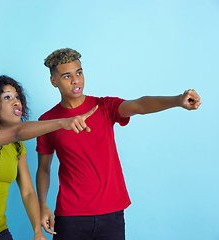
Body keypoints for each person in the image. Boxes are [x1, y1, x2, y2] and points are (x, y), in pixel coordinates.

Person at [35, 48, 201, 240]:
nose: (76, 80)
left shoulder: (104, 106)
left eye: (79, 72)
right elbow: (43, 169)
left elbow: (139, 105)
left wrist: (177, 101)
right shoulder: (47, 121)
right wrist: (43, 205)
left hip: (112, 214)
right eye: (67, 76)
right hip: (70, 216)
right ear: (53, 81)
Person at [0, 75, 98, 240]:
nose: (16, 102)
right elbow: (17, 133)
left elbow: (28, 192)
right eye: (7, 97)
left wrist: (37, 231)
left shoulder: (17, 147)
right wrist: (61, 123)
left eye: (17, 97)